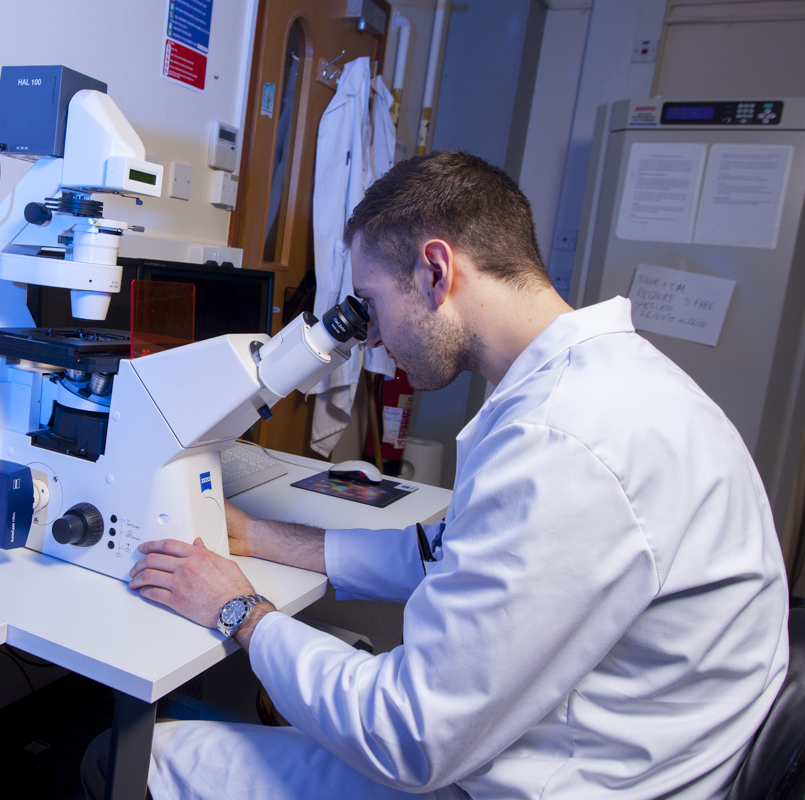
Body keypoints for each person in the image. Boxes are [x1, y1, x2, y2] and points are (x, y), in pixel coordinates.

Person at [118, 151, 791, 799]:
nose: (372, 337)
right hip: (621, 745)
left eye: (370, 304)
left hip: (555, 778)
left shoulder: (567, 443)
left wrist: (239, 610)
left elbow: (408, 738)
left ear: (435, 270)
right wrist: (263, 539)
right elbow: (447, 554)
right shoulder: (596, 386)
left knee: (144, 762)